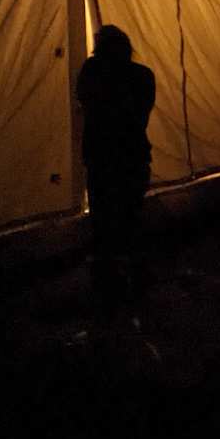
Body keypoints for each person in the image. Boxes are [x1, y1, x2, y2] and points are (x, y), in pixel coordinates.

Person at [76, 24, 155, 312]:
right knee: (129, 219)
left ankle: (109, 287)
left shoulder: (95, 74)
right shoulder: (142, 76)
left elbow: (85, 99)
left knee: (105, 222)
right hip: (133, 157)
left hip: (104, 159)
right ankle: (131, 282)